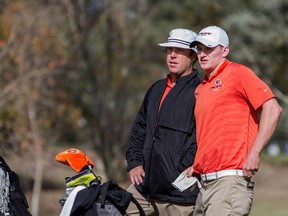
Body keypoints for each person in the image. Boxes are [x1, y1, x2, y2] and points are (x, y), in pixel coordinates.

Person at [186, 25, 283, 216]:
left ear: (225, 50)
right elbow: (213, 133)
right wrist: (198, 164)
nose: (202, 54)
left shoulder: (238, 73)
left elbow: (273, 108)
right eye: (199, 49)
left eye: (209, 48)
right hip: (204, 185)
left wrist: (254, 152)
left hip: (229, 182)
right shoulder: (202, 88)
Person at [125, 28, 201, 216]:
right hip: (144, 189)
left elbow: (202, 137)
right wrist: (134, 162)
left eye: (179, 51)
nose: (172, 56)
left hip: (178, 196)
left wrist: (181, 168)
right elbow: (139, 128)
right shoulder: (156, 88)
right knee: (116, 209)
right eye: (169, 50)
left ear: (193, 56)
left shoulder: (201, 92)